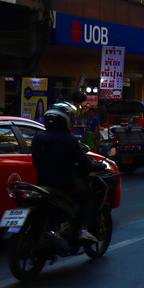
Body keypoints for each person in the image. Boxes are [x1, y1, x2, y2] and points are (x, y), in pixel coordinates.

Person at [31, 102, 105, 243]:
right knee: (88, 195)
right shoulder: (68, 140)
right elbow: (85, 163)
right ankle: (83, 229)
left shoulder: (38, 137)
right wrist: (99, 166)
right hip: (64, 184)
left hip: (42, 182)